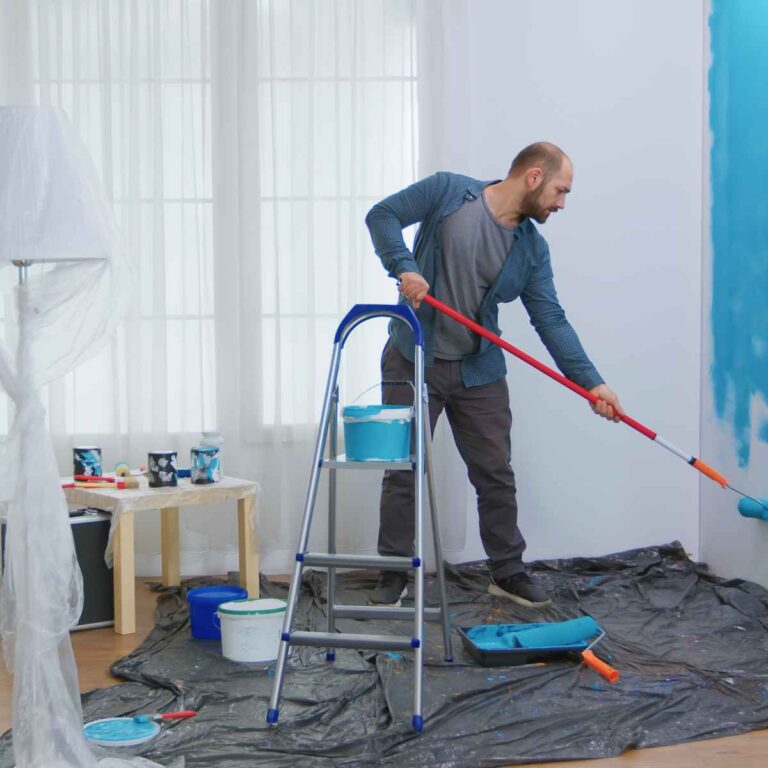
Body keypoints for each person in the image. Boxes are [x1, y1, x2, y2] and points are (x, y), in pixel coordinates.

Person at [364, 142, 624, 608]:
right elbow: (381, 216)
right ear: (533, 176)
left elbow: (551, 319)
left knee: (495, 475)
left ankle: (507, 572)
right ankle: (395, 572)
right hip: (413, 358)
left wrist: (592, 383)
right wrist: (404, 267)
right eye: (560, 191)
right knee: (403, 470)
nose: (561, 204)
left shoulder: (531, 250)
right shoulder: (447, 192)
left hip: (478, 373)